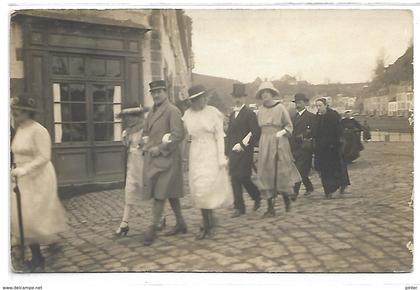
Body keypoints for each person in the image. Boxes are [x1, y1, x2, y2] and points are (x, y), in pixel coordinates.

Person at [11, 94, 67, 271]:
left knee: (33, 217)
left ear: (28, 113)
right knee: (22, 217)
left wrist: (25, 169)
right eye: (13, 112)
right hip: (20, 177)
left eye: (18, 112)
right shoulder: (19, 129)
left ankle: (41, 256)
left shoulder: (39, 130)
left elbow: (44, 157)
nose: (14, 115)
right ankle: (37, 256)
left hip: (39, 176)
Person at [182, 85, 234, 239]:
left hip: (211, 152)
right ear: (193, 101)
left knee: (207, 186)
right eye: (199, 98)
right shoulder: (187, 115)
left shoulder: (213, 113)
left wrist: (220, 157)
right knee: (199, 187)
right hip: (196, 152)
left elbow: (219, 136)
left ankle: (208, 223)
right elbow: (183, 136)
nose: (203, 101)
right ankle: (208, 220)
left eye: (205, 97)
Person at [142, 80, 187, 246]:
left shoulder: (172, 111)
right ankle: (181, 223)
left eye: (159, 92)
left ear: (165, 92)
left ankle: (152, 228)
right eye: (153, 93)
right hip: (154, 159)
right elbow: (146, 131)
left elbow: (178, 135)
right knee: (171, 193)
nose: (156, 95)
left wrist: (160, 148)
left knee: (160, 195)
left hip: (168, 158)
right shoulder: (151, 113)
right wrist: (145, 141)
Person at [255, 82, 301, 218]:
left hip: (279, 141)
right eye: (262, 93)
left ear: (272, 93)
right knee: (265, 172)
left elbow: (289, 126)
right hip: (265, 142)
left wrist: (281, 132)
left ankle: (287, 198)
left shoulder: (280, 108)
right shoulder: (260, 110)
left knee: (280, 171)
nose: (265, 95)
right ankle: (270, 207)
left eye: (267, 92)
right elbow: (258, 129)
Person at [225, 83, 261, 218]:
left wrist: (243, 144)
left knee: (243, 177)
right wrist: (227, 151)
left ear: (244, 98)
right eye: (235, 97)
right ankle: (239, 207)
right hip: (233, 152)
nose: (237, 99)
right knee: (234, 177)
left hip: (245, 151)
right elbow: (229, 134)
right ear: (233, 98)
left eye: (240, 97)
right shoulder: (232, 114)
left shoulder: (250, 114)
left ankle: (256, 195)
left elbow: (255, 132)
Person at [114, 105, 149, 237]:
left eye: (131, 116)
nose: (128, 119)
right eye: (126, 117)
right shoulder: (127, 132)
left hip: (144, 162)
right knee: (129, 190)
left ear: (137, 116)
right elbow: (127, 147)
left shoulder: (145, 129)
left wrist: (144, 144)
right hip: (131, 163)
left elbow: (148, 145)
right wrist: (126, 141)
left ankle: (160, 217)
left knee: (147, 190)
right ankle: (124, 223)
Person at [312, 98, 351, 199]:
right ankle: (327, 191)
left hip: (333, 147)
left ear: (326, 105)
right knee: (323, 170)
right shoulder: (317, 117)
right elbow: (315, 131)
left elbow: (338, 130)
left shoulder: (333, 115)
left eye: (320, 105)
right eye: (317, 106)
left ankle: (337, 187)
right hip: (321, 148)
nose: (318, 108)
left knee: (334, 169)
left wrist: (337, 143)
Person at [289, 93, 315, 201]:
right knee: (300, 171)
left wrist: (304, 135)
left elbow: (313, 131)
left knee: (300, 170)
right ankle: (309, 187)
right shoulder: (293, 117)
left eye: (300, 102)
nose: (298, 104)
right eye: (296, 103)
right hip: (294, 147)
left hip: (305, 147)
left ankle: (294, 193)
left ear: (305, 103)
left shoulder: (310, 116)